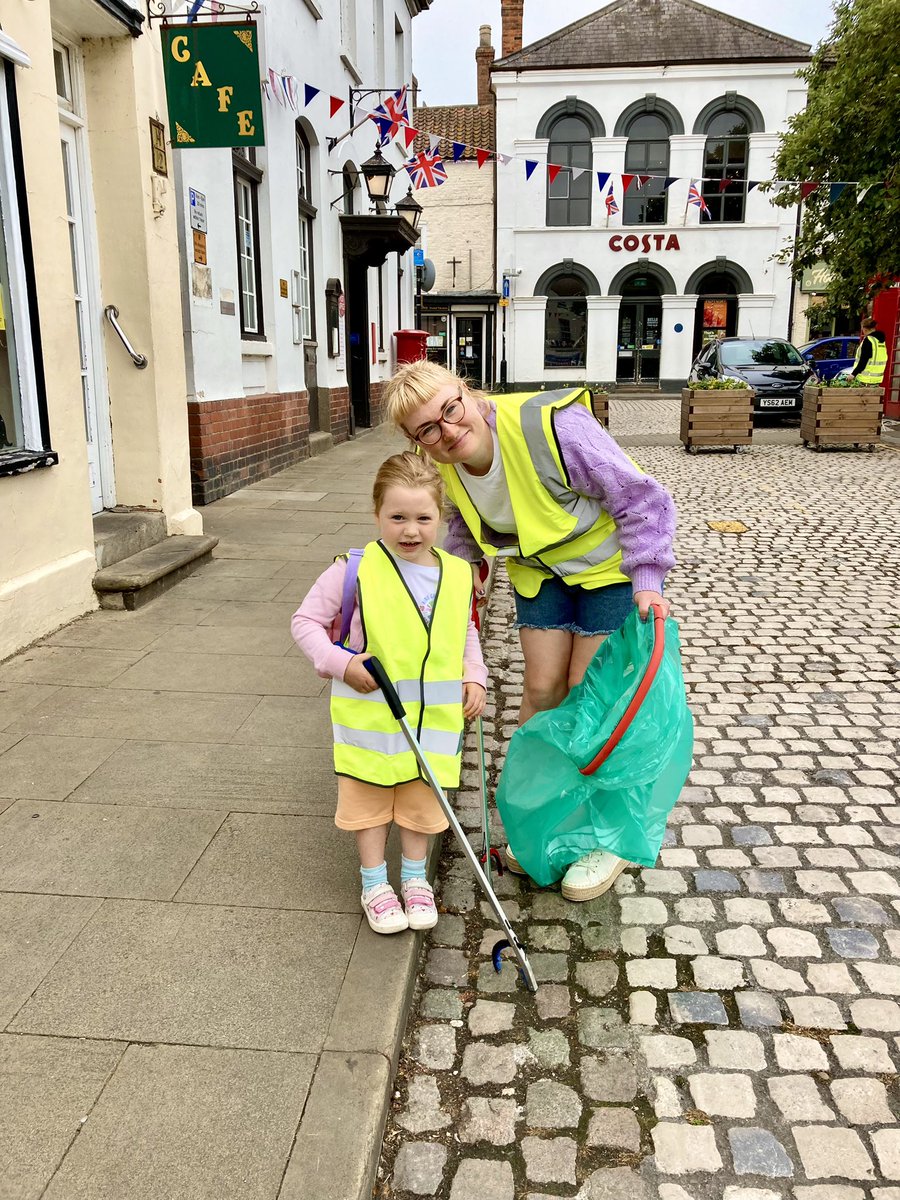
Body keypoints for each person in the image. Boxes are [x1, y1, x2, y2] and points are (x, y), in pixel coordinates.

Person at [383, 361, 677, 903]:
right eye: (427, 428)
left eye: (450, 409)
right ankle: (545, 813)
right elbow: (462, 533)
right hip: (541, 576)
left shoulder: (551, 427)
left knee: (594, 698)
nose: (447, 431)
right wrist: (454, 586)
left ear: (466, 392)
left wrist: (649, 577)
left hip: (609, 574)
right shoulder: (441, 466)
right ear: (414, 439)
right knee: (542, 693)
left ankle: (601, 836)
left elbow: (640, 496)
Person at [291, 451, 487, 935]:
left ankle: (415, 879)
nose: (410, 530)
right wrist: (342, 662)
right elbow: (305, 622)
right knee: (370, 804)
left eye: (423, 518)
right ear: (377, 513)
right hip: (372, 723)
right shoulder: (353, 570)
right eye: (397, 517)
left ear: (441, 517)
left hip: (435, 724)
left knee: (422, 804)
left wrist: (475, 674)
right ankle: (375, 883)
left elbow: (463, 628)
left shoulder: (457, 573)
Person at [849, 316, 888, 385]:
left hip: (865, 379)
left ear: (865, 328)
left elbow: (863, 360)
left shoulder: (868, 340)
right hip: (877, 379)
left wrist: (853, 374)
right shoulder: (880, 341)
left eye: (862, 329)